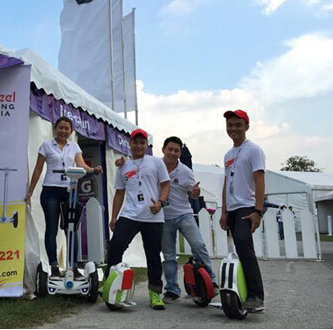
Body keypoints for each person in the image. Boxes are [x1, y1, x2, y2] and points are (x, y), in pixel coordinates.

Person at [25, 116, 102, 277]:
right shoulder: (46, 145)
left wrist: (92, 170)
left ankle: (72, 267)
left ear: (71, 131)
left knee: (71, 229)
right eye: (61, 127)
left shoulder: (74, 146)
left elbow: (81, 164)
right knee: (52, 229)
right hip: (50, 191)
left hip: (69, 191)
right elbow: (38, 169)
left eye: (67, 128)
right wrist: (31, 190)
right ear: (55, 128)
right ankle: (53, 265)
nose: (63, 131)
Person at [107, 128, 170, 310]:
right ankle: (112, 287)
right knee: (115, 247)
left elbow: (165, 185)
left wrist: (160, 202)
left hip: (153, 216)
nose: (139, 145)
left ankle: (155, 293)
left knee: (153, 255)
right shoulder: (123, 166)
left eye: (142, 143)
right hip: (130, 214)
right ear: (130, 144)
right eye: (135, 142)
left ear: (146, 145)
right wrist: (114, 217)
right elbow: (119, 193)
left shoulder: (156, 162)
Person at [157, 136, 218, 303]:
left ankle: (211, 281)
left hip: (184, 214)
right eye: (170, 149)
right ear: (163, 149)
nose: (172, 153)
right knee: (169, 256)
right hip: (164, 217)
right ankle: (172, 290)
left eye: (176, 150)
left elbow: (192, 192)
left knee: (198, 245)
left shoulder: (185, 171)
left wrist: (195, 192)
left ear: (180, 152)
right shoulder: (155, 166)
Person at [220, 110, 265, 311]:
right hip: (232, 209)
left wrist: (258, 210)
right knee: (238, 248)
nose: (233, 129)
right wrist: (224, 211)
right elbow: (226, 182)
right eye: (230, 125)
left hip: (247, 205)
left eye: (238, 125)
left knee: (243, 244)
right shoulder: (228, 154)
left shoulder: (254, 150)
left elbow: (259, 180)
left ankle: (256, 295)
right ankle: (241, 290)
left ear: (247, 126)